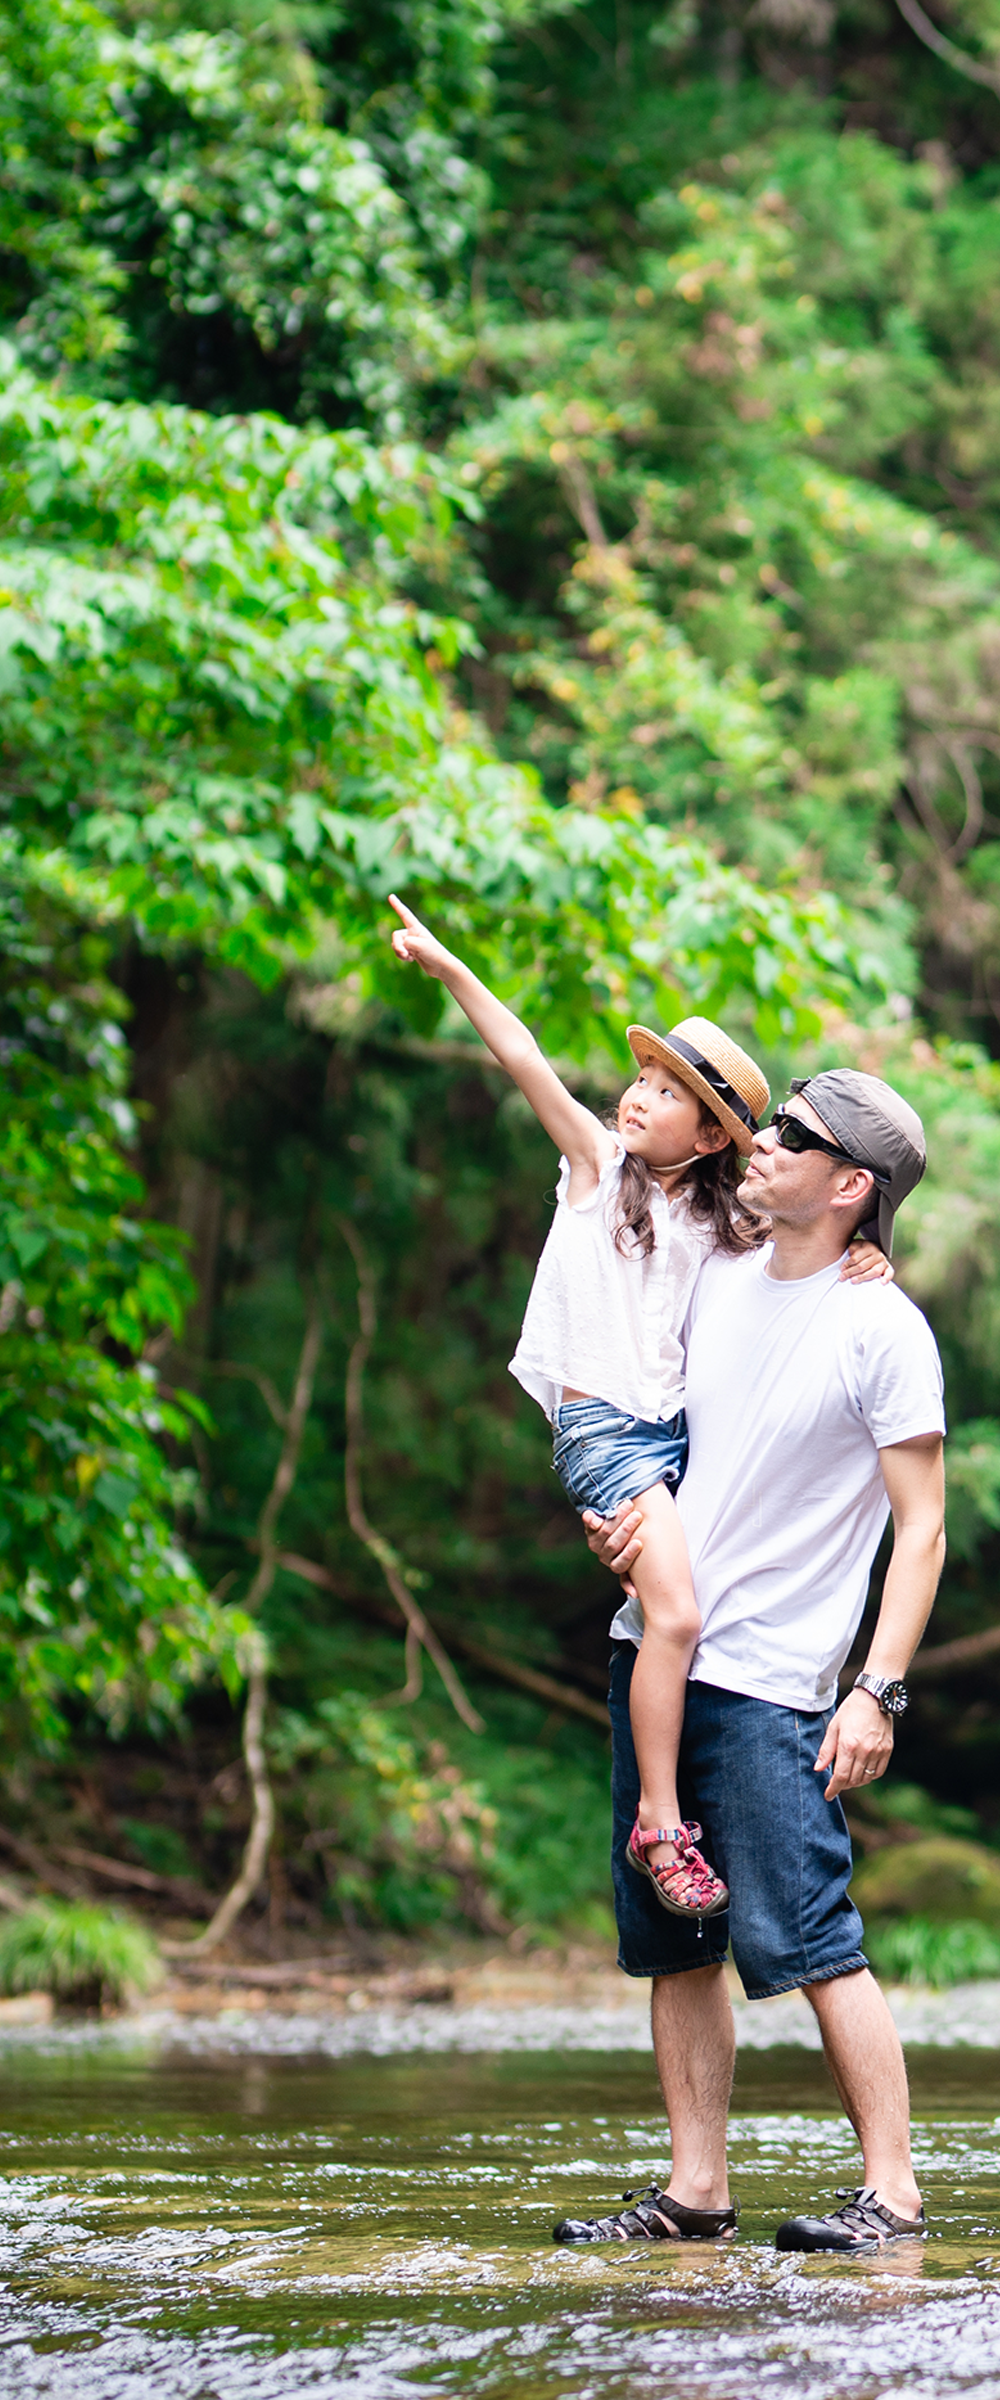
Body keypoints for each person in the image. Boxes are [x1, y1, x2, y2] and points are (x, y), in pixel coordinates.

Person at [387, 891, 890, 1926]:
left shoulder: (724, 1228)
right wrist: (450, 968)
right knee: (678, 1614)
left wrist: (868, 1255)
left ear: (711, 1137)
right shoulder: (594, 1168)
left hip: (676, 1444)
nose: (638, 1098)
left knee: (675, 1619)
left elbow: (801, 1260)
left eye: (667, 1095)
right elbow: (525, 1058)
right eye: (642, 1079)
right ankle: (660, 1821)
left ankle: (672, 1810)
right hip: (605, 1431)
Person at [552, 1068, 945, 2255]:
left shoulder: (882, 1326)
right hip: (656, 1654)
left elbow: (920, 1529)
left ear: (850, 1185)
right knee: (675, 1946)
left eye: (792, 1138)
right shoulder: (716, 1279)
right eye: (767, 1128)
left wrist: (876, 1688)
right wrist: (607, 1520)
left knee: (814, 1942)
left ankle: (892, 2193)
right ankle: (696, 2193)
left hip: (776, 1680)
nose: (759, 1145)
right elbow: (642, 1428)